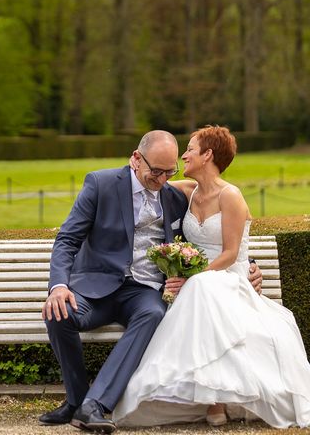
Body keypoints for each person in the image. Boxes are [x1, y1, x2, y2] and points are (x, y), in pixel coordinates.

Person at [39, 130, 262, 433]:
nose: (161, 179)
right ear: (135, 158)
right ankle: (76, 401)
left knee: (154, 314)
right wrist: (59, 286)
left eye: (169, 171)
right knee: (59, 313)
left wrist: (248, 264)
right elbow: (67, 239)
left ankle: (95, 405)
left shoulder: (174, 196)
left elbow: (214, 236)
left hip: (143, 291)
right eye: (155, 171)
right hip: (96, 287)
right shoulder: (100, 184)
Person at [113, 126, 310, 428]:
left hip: (228, 277)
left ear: (207, 155)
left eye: (190, 149)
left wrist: (192, 279)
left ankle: (215, 399)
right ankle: (204, 396)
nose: (184, 155)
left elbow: (231, 253)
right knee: (199, 290)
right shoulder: (188, 193)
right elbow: (150, 180)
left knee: (202, 288)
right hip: (201, 282)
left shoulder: (231, 196)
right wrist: (136, 164)